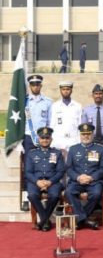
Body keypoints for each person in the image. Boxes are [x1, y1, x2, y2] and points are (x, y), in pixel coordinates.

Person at [65, 123, 103, 230]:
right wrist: (78, 177)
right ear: (80, 135)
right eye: (83, 134)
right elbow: (68, 168)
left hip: (94, 181)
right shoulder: (73, 149)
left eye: (88, 134)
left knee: (97, 193)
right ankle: (84, 219)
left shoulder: (100, 149)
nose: (86, 136)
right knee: (69, 192)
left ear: (92, 134)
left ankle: (80, 219)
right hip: (77, 181)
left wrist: (91, 177)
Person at [21, 74, 53, 211]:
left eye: (37, 84)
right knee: (27, 168)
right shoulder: (23, 101)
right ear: (30, 86)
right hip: (28, 138)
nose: (35, 86)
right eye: (33, 84)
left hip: (44, 138)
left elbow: (50, 122)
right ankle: (27, 197)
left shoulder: (48, 102)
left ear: (41, 85)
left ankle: (47, 192)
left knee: (47, 166)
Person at [25, 127, 65, 231]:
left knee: (55, 195)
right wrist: (37, 181)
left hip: (52, 181)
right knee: (32, 195)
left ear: (51, 139)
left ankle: (43, 221)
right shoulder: (31, 153)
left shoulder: (57, 153)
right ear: (39, 139)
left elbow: (60, 171)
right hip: (35, 182)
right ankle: (46, 220)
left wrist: (50, 182)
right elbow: (28, 172)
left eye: (47, 138)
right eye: (42, 138)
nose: (45, 140)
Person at [82, 84, 103, 155]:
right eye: (96, 94)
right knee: (93, 161)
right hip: (92, 140)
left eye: (100, 94)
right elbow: (83, 129)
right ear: (92, 95)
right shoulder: (86, 110)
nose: (98, 96)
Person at [50, 81, 82, 155]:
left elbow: (79, 124)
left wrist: (79, 141)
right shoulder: (55, 106)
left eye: (68, 89)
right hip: (58, 141)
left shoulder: (77, 106)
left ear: (71, 90)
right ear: (60, 90)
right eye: (63, 89)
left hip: (73, 141)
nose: (65, 91)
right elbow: (52, 124)